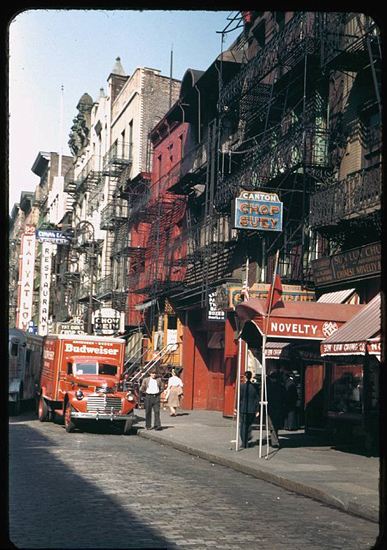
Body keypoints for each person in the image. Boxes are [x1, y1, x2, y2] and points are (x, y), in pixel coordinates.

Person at [239, 370, 259, 448]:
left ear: (245, 377)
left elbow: (239, 398)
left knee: (243, 425)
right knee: (249, 425)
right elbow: (257, 399)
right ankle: (246, 441)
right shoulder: (254, 387)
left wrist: (236, 408)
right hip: (252, 409)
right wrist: (257, 409)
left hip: (243, 408)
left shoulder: (242, 386)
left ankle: (244, 442)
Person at [266, 365, 286, 447]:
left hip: (270, 407)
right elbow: (283, 396)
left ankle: (274, 441)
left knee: (272, 425)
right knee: (275, 425)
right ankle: (275, 439)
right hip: (278, 407)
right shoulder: (280, 386)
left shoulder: (268, 386)